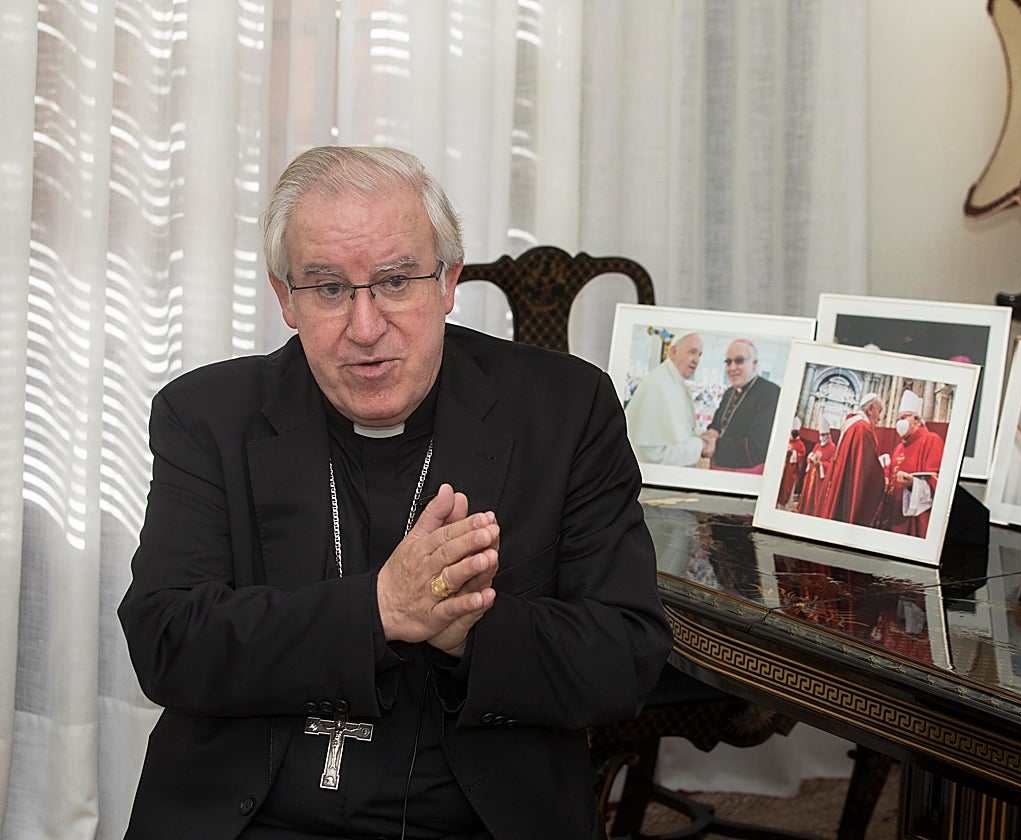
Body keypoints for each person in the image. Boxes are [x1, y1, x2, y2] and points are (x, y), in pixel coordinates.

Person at [117, 146, 672, 840]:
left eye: (396, 281)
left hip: (474, 820)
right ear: (284, 298)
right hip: (253, 816)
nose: (366, 327)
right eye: (327, 289)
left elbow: (624, 657)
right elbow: (168, 640)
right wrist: (381, 609)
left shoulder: (564, 410)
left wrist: (471, 634)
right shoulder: (207, 415)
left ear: (447, 282)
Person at [623, 332, 707, 465]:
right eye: (692, 352)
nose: (696, 360)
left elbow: (681, 430)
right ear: (674, 351)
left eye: (699, 354)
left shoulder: (677, 383)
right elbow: (653, 455)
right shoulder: (657, 385)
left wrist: (700, 435)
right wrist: (700, 446)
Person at [701, 339, 781, 471]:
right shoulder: (729, 392)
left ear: (754, 363)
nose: (732, 368)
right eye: (728, 362)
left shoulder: (770, 393)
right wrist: (711, 433)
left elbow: (757, 448)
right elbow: (716, 425)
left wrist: (717, 444)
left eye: (739, 361)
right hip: (719, 468)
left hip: (746, 474)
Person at [880, 390, 944, 538]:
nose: (899, 423)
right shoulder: (898, 448)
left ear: (916, 419)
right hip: (894, 514)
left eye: (903, 417)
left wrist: (913, 484)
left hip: (914, 518)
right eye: (898, 419)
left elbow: (937, 480)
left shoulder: (931, 440)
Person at [815, 393, 885, 526]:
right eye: (879, 411)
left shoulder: (852, 424)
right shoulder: (863, 428)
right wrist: (881, 466)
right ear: (870, 409)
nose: (880, 417)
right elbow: (866, 468)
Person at [796, 415, 836, 515]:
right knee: (807, 497)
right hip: (811, 475)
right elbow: (809, 457)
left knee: (816, 499)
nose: (821, 437)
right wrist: (810, 458)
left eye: (823, 435)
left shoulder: (832, 448)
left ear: (828, 435)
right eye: (820, 435)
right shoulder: (817, 445)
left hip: (820, 478)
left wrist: (821, 464)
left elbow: (832, 465)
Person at [775, 424, 809, 508]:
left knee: (787, 488)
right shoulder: (786, 440)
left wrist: (793, 452)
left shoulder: (801, 444)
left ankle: (786, 506)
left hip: (791, 470)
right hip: (782, 468)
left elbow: (801, 456)